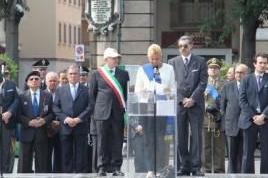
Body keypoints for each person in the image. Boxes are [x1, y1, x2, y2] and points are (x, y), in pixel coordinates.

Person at [133, 44, 176, 178]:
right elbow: (137, 90)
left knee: (162, 140)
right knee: (149, 139)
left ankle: (161, 167)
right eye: (151, 59)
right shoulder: (143, 70)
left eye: (156, 59)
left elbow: (173, 89)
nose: (154, 62)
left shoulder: (169, 69)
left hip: (164, 108)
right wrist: (144, 92)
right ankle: (150, 169)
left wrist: (164, 91)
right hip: (148, 108)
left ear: (161, 57)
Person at [168, 35, 208, 177]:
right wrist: (182, 99)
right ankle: (184, 166)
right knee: (180, 136)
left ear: (191, 46)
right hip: (179, 105)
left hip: (196, 104)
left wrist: (192, 99)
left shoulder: (200, 62)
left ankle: (196, 167)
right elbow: (170, 84)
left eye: (185, 46)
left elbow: (203, 82)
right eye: (180, 46)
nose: (182, 49)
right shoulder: (172, 62)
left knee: (196, 136)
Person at [89, 47, 129, 176]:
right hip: (101, 112)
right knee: (101, 140)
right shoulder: (97, 73)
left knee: (117, 140)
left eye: (117, 58)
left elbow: (126, 95)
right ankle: (102, 166)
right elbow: (92, 95)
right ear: (106, 59)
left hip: (118, 112)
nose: (116, 60)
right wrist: (95, 112)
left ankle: (116, 166)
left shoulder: (124, 74)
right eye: (113, 58)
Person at [239, 53, 268, 174]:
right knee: (247, 153)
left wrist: (263, 115)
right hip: (249, 120)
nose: (263, 65)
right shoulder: (246, 79)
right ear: (254, 64)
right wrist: (253, 116)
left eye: (265, 63)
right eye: (260, 62)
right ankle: (246, 176)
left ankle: (266, 176)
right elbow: (242, 100)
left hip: (267, 120)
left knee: (267, 153)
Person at [53, 65, 91, 173]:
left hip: (81, 126)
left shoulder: (86, 90)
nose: (73, 76)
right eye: (70, 74)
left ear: (79, 75)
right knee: (66, 154)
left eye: (75, 74)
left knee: (81, 154)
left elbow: (90, 107)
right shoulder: (60, 90)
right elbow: (55, 107)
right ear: (67, 76)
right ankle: (67, 174)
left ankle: (80, 174)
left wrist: (79, 119)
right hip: (65, 127)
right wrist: (66, 119)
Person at [18, 71, 53, 173]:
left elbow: (52, 113)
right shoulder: (22, 96)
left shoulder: (47, 96)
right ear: (27, 82)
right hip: (26, 133)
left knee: (42, 165)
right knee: (24, 165)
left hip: (41, 133)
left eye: (36, 79)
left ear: (40, 81)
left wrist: (44, 120)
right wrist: (29, 122)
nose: (34, 81)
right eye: (31, 79)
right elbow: (18, 115)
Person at [221, 64, 248, 173]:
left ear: (246, 74)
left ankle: (243, 174)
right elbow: (222, 106)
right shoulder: (227, 86)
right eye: (237, 72)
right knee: (231, 154)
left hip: (246, 124)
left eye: (241, 72)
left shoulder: (250, 85)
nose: (238, 75)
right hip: (231, 124)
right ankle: (231, 175)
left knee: (244, 154)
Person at [203, 58, 226, 173]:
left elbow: (226, 100)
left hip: (219, 118)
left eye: (216, 68)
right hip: (205, 118)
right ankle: (206, 169)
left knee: (219, 147)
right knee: (205, 146)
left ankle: (219, 170)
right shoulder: (202, 82)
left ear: (219, 70)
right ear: (207, 70)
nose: (213, 70)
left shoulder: (225, 83)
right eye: (211, 68)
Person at [0, 62, 19, 173]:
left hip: (8, 122)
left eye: (6, 73)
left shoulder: (11, 85)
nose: (5, 75)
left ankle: (6, 172)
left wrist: (10, 112)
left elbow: (16, 100)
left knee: (8, 149)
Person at [45, 71, 62, 173]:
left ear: (58, 82)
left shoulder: (62, 92)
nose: (52, 83)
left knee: (59, 153)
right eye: (50, 81)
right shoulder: (42, 93)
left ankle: (58, 173)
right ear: (46, 82)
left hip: (61, 128)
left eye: (54, 81)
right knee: (46, 153)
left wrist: (59, 121)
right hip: (46, 129)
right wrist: (49, 123)